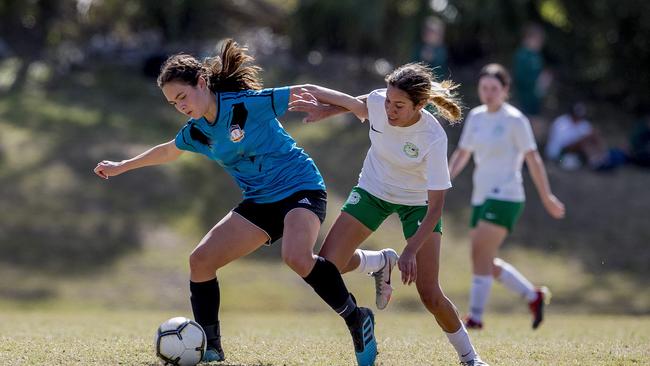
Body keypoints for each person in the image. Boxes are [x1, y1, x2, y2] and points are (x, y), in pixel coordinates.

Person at [93, 39, 377, 365]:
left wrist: (356, 106)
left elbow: (307, 87)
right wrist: (121, 166)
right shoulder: (197, 132)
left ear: (201, 83)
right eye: (173, 103)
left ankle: (357, 318)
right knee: (200, 261)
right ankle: (212, 347)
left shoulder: (244, 104)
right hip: (259, 201)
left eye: (183, 96)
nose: (181, 106)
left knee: (297, 257)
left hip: (301, 187)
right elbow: (168, 150)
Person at [290, 63, 488, 366]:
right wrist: (321, 106)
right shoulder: (380, 103)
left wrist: (410, 251)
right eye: (387, 102)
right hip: (373, 190)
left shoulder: (433, 137)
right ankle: (380, 261)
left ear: (419, 105)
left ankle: (469, 357)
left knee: (429, 293)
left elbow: (436, 208)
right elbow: (356, 104)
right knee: (327, 269)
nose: (390, 110)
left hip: (418, 203)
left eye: (399, 106)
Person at [447, 63, 565, 331]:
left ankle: (475, 319)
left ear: (505, 90)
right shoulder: (476, 117)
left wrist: (546, 196)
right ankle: (533, 296)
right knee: (483, 260)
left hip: (507, 195)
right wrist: (444, 180)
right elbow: (463, 153)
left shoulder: (515, 120)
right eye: (484, 88)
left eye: (494, 88)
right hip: (481, 196)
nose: (488, 93)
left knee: (480, 254)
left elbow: (532, 158)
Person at [513, 23, 552, 140]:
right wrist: (538, 82)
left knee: (537, 127)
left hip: (536, 99)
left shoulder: (537, 56)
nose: (540, 43)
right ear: (529, 38)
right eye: (539, 39)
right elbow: (520, 78)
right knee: (528, 126)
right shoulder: (522, 55)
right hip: (524, 98)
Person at [545, 102, 610, 170]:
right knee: (584, 141)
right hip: (558, 153)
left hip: (575, 152)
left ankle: (603, 158)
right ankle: (595, 162)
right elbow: (563, 145)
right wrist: (584, 139)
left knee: (593, 135)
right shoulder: (560, 123)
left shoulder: (584, 123)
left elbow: (592, 137)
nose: (578, 118)